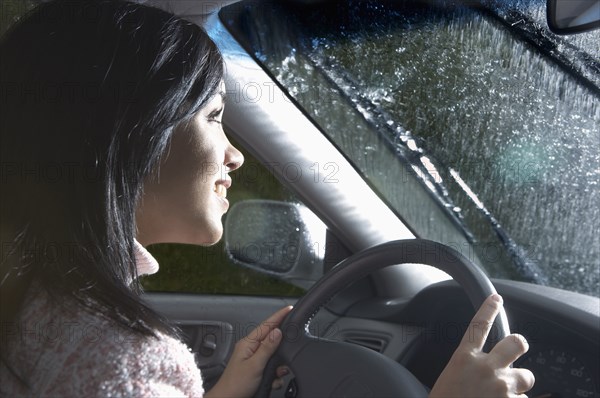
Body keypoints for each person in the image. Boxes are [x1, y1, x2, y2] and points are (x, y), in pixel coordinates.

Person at [0, 0, 534, 396]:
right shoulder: (123, 361)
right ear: (135, 135)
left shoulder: (34, 306)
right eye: (213, 117)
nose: (235, 156)